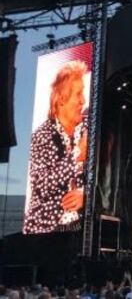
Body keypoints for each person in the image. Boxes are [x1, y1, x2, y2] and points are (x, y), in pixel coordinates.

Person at [23, 61, 88, 234]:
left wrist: (85, 194)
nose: (83, 100)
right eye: (78, 94)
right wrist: (77, 156)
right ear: (62, 99)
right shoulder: (41, 137)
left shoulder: (90, 129)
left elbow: (106, 178)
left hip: (83, 229)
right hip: (46, 231)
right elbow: (42, 185)